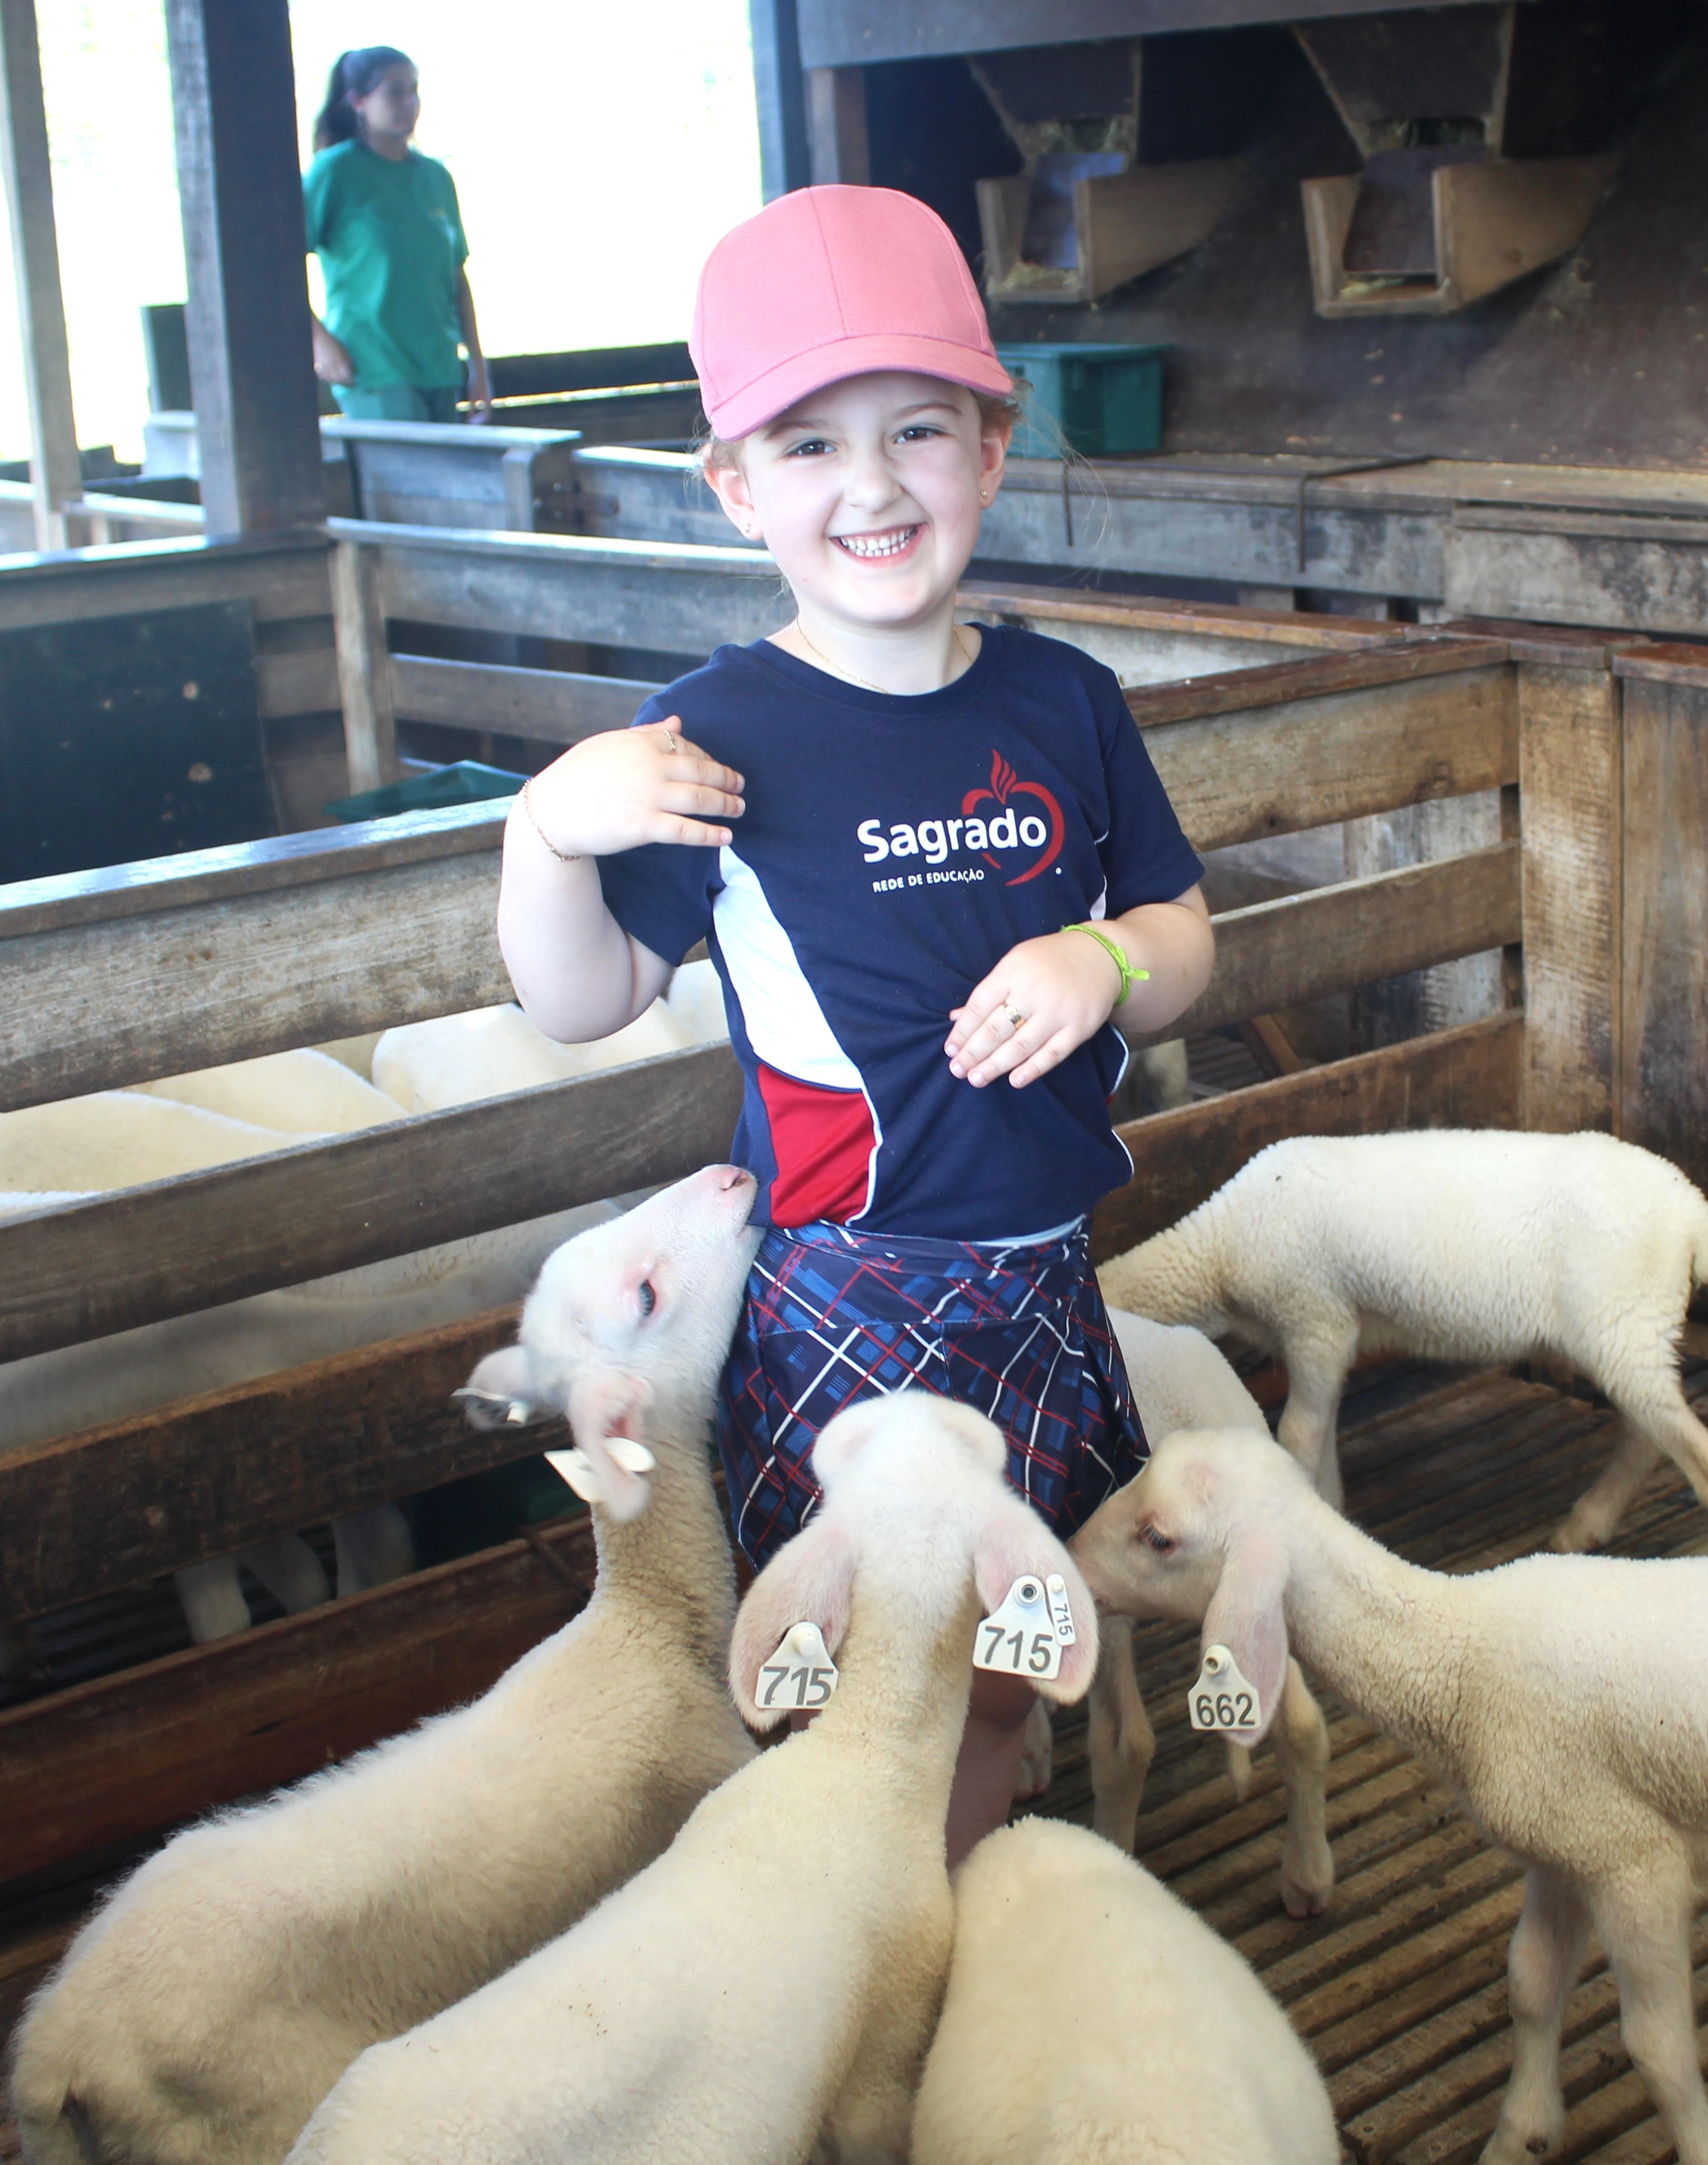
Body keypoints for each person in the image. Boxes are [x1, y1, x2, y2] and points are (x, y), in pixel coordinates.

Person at [494, 186, 1216, 1862]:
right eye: (809, 447)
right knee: (864, 1654)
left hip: (1038, 1269)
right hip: (854, 1287)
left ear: (993, 439)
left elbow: (1186, 944)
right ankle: (897, 1909)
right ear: (736, 489)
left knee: (1010, 1633)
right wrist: (546, 828)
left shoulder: (1066, 701)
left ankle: (971, 1845)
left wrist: (1105, 966)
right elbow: (580, 997)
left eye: (917, 430)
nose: (875, 484)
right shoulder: (711, 736)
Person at [304, 45, 491, 423]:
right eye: (394, 91)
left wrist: (478, 366)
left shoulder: (435, 178)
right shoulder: (336, 172)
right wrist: (319, 341)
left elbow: (456, 277)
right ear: (358, 101)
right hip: (373, 366)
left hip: (439, 365)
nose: (409, 102)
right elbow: (276, 267)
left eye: (414, 90)